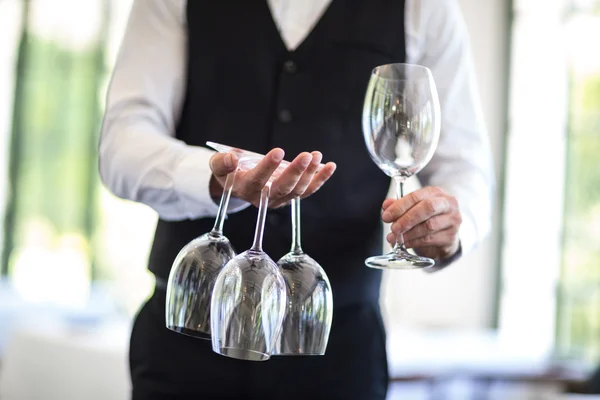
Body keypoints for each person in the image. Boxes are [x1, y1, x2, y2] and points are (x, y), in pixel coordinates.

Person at [99, 0, 493, 398]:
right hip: (187, 335)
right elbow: (121, 146)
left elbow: (466, 168)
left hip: (336, 351)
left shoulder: (425, 7)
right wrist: (218, 178)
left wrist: (451, 224)